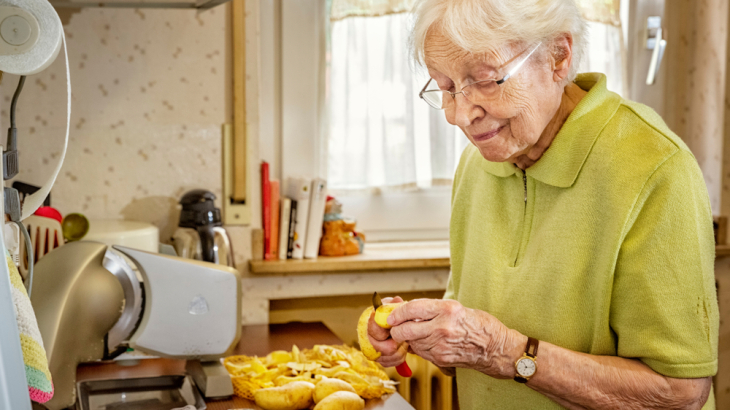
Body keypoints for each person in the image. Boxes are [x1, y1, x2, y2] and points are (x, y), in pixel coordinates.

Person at [366, 0, 719, 408]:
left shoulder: (656, 169)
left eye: (487, 80)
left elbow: (680, 395)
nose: (460, 115)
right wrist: (427, 332)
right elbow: (473, 343)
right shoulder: (477, 164)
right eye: (445, 88)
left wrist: (503, 352)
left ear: (558, 56)